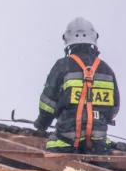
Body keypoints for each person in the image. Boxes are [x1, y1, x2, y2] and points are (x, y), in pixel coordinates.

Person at [34, 17, 120, 154]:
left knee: (47, 157)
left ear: (67, 41)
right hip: (98, 146)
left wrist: (41, 125)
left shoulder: (62, 66)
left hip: (64, 142)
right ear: (94, 39)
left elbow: (47, 105)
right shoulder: (106, 70)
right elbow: (114, 110)